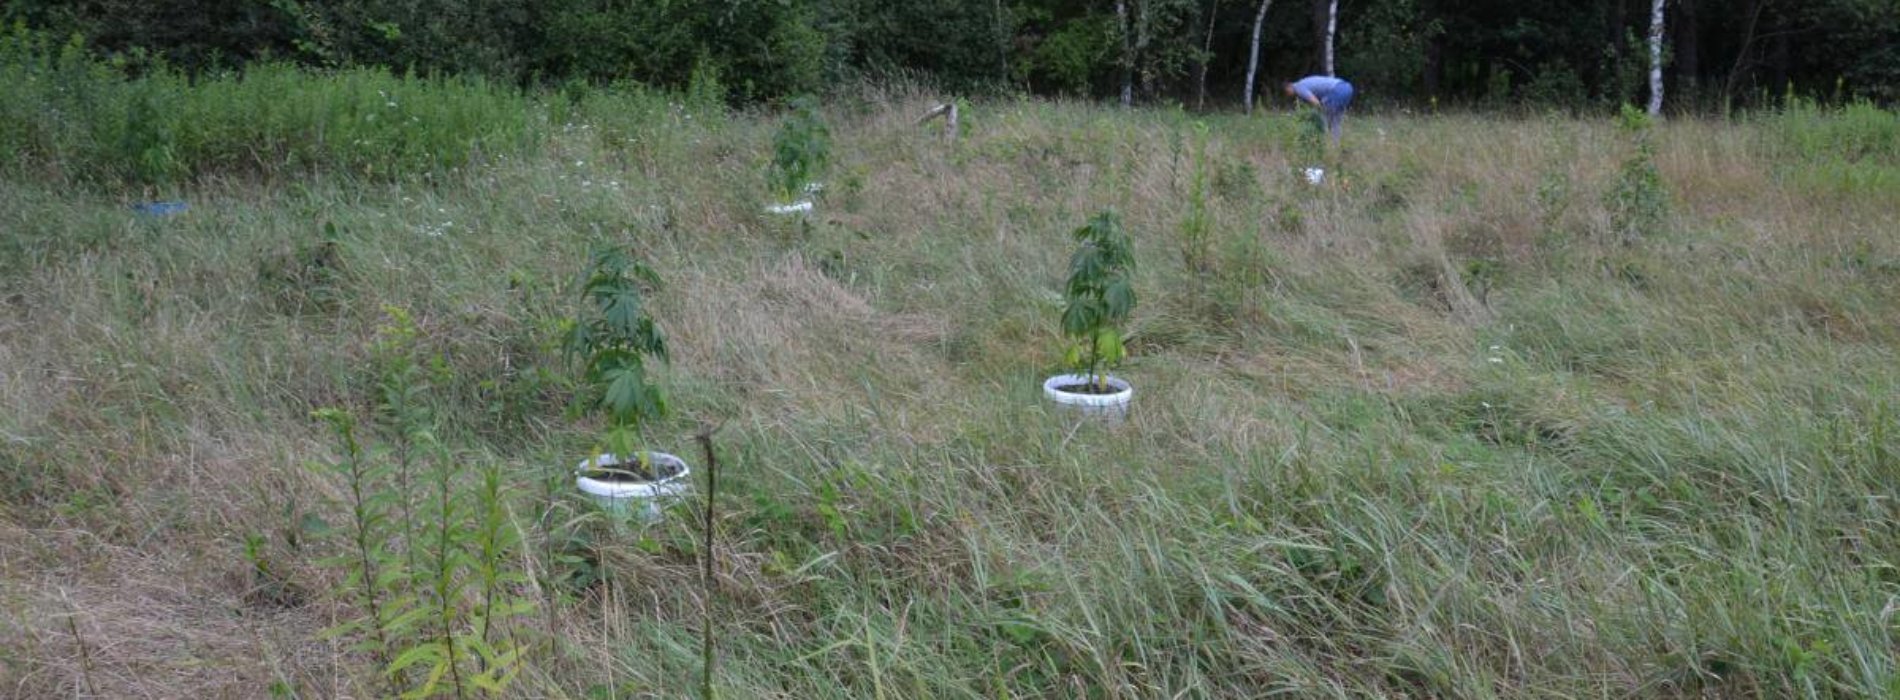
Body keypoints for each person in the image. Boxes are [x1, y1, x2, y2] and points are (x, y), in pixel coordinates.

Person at [1284, 75, 1354, 146]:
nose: (1287, 95)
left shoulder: (1299, 87)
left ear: (1289, 86)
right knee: (1335, 122)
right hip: (1347, 88)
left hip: (1337, 90)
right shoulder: (1304, 82)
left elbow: (1315, 102)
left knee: (1322, 119)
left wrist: (1311, 114)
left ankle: (1323, 144)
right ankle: (1335, 146)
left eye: (1287, 92)